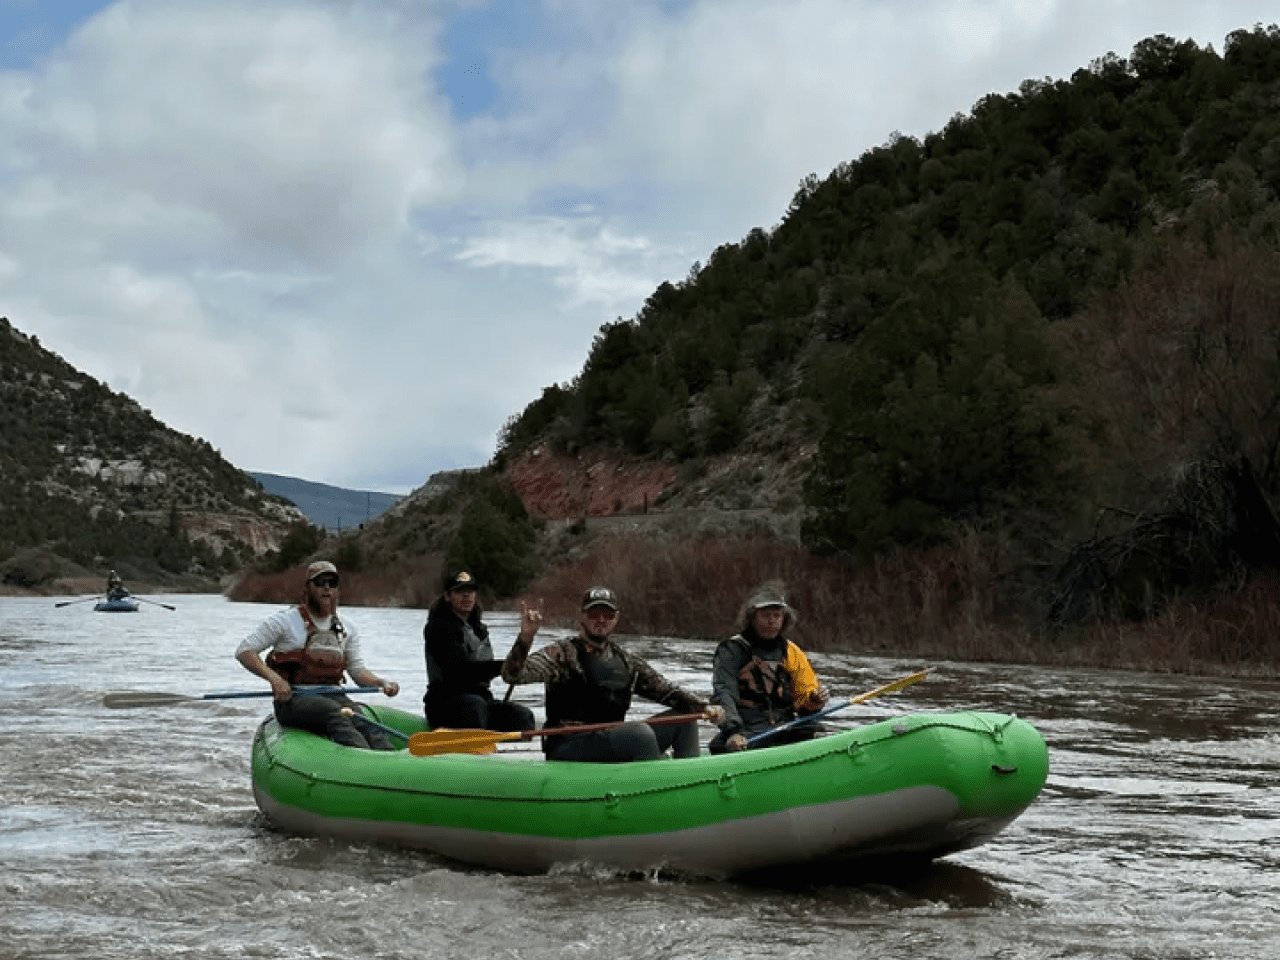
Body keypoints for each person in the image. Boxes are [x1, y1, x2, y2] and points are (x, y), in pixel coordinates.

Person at [502, 585, 724, 762]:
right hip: (569, 745)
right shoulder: (562, 654)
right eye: (594, 613)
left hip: (611, 740)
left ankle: (689, 781)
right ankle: (654, 779)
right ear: (583, 616)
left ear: (616, 618)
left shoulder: (625, 660)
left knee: (684, 720)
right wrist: (525, 639)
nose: (601, 620)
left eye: (607, 614)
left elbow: (666, 690)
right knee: (639, 734)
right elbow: (513, 676)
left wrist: (704, 708)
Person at [235, 560, 401, 750]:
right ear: (307, 588)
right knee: (335, 713)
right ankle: (362, 762)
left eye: (332, 583)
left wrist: (382, 683)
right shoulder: (284, 621)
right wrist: (275, 679)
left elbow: (357, 671)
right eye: (320, 582)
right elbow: (244, 651)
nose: (327, 589)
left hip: (334, 696)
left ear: (338, 590)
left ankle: (389, 760)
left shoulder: (348, 627)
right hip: (293, 700)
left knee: (362, 720)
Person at [708, 585, 828, 753]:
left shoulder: (791, 651)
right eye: (765, 616)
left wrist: (814, 702)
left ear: (784, 619)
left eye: (777, 616)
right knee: (723, 746)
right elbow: (724, 693)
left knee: (817, 730)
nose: (772, 621)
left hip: (785, 726)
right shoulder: (731, 650)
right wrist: (734, 732)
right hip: (747, 729)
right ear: (753, 618)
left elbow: (805, 705)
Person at [423, 570, 537, 733]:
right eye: (460, 592)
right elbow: (460, 672)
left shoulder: (479, 629)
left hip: (481, 700)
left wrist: (525, 638)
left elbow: (492, 668)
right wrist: (503, 667)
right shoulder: (438, 628)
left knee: (522, 715)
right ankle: (476, 752)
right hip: (445, 703)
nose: (467, 596)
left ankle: (516, 753)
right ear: (447, 596)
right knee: (475, 707)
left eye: (470, 591)